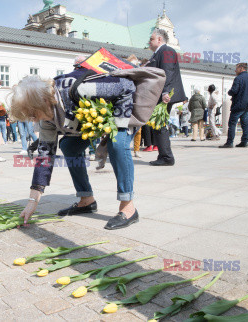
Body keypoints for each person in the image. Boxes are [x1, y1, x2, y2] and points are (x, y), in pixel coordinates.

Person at [9, 66, 164, 230]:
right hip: (94, 120)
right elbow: (45, 157)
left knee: (117, 142)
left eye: (33, 114)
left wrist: (116, 125)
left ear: (43, 101)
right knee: (69, 146)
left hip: (121, 108)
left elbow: (125, 86)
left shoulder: (80, 90)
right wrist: (33, 201)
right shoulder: (46, 118)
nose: (33, 120)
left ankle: (128, 207)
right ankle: (86, 200)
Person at [145, 28, 186, 166]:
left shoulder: (167, 51)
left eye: (151, 39)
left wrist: (165, 92)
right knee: (158, 125)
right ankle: (164, 155)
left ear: (159, 39)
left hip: (165, 95)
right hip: (161, 94)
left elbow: (167, 72)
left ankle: (167, 157)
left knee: (159, 124)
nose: (149, 42)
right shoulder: (158, 53)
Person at [220, 63, 248, 148]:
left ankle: (229, 142)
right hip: (247, 105)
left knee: (232, 123)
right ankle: (244, 142)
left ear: (241, 68)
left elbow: (234, 90)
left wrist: (229, 92)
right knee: (245, 124)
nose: (235, 70)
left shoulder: (238, 78)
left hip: (238, 105)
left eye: (236, 68)